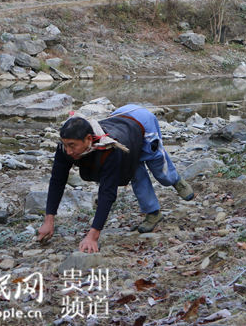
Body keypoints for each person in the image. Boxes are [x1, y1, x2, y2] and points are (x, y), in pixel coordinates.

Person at [36, 104, 194, 252]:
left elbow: (107, 192)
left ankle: (175, 180)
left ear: (89, 139)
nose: (68, 151)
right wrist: (49, 220)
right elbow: (57, 181)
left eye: (72, 146)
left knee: (159, 167)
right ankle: (153, 213)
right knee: (134, 171)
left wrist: (93, 235)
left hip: (142, 122)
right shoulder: (65, 148)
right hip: (122, 125)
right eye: (65, 145)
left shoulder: (111, 149)